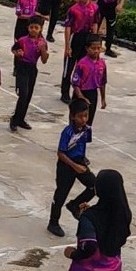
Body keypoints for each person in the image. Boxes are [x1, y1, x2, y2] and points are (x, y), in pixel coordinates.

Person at [48, 99, 96, 238]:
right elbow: (61, 153)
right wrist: (75, 166)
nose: (84, 119)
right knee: (61, 194)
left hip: (79, 162)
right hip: (66, 165)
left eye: (86, 115)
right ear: (73, 116)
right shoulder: (67, 132)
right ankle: (53, 222)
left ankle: (75, 205)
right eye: (80, 116)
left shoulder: (87, 129)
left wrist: (83, 161)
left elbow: (83, 144)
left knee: (94, 186)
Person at [61, 0, 99, 105]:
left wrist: (94, 40)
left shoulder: (94, 8)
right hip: (75, 38)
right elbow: (68, 27)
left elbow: (95, 23)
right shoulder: (73, 10)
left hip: (87, 38)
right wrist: (67, 46)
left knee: (83, 67)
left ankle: (79, 93)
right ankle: (64, 92)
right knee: (69, 67)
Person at [10, 15, 49, 133]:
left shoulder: (42, 42)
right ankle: (14, 119)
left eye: (36, 28)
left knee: (28, 95)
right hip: (22, 68)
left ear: (40, 29)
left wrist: (43, 50)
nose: (33, 30)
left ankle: (21, 119)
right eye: (31, 27)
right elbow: (14, 49)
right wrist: (17, 54)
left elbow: (44, 60)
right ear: (28, 28)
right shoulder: (22, 40)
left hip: (32, 69)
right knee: (23, 94)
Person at [70, 36, 107, 126]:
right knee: (76, 122)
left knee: (88, 122)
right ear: (87, 48)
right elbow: (75, 83)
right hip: (80, 94)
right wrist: (81, 97)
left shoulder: (102, 64)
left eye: (98, 48)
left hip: (93, 94)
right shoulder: (82, 64)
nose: (96, 51)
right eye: (93, 48)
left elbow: (102, 82)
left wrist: (103, 99)